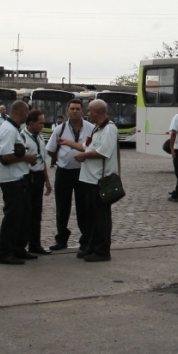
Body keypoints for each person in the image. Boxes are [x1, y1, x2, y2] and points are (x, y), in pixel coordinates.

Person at [70, 99, 119, 262]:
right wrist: (70, 144)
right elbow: (88, 146)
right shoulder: (98, 128)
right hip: (88, 179)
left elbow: (103, 151)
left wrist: (84, 156)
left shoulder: (110, 129)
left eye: (89, 111)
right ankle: (91, 245)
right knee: (90, 217)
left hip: (100, 180)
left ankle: (102, 250)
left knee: (101, 218)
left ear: (97, 112)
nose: (88, 114)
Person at [47, 98, 95, 251]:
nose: (74, 111)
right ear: (67, 111)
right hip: (64, 172)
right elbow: (51, 149)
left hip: (83, 173)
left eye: (77, 109)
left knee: (84, 207)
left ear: (82, 111)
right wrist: (59, 160)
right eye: (72, 109)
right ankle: (61, 239)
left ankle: (86, 240)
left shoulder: (91, 128)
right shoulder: (59, 129)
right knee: (62, 207)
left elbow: (94, 148)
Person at [0, 100, 35, 265]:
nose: (27, 115)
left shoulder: (13, 129)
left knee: (24, 214)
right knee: (13, 216)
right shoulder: (9, 130)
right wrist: (27, 158)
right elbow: (5, 157)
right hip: (10, 178)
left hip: (19, 176)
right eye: (26, 112)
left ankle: (18, 248)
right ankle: (4, 252)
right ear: (20, 112)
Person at [21, 109, 53, 255]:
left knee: (36, 212)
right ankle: (21, 246)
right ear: (31, 123)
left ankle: (35, 244)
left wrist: (47, 180)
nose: (42, 125)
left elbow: (42, 160)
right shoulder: (21, 137)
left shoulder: (40, 137)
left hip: (38, 176)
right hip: (27, 176)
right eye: (40, 123)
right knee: (26, 213)